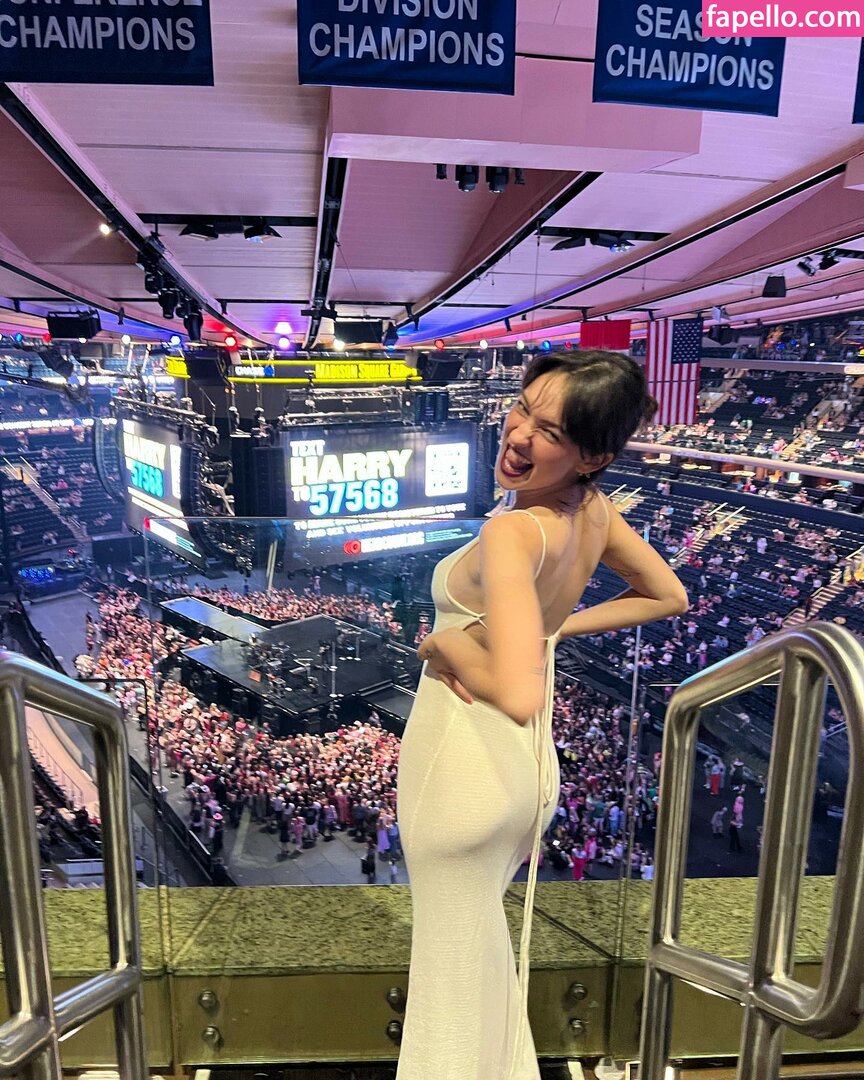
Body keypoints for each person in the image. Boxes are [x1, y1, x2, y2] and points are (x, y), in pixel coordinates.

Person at [396, 351, 688, 1080]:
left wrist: (444, 644)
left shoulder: (514, 532)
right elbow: (668, 595)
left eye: (549, 431)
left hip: (462, 767)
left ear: (594, 456)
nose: (519, 433)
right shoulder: (594, 512)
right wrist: (551, 632)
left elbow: (517, 691)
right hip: (522, 772)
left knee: (448, 979)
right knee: (479, 958)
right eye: (523, 408)